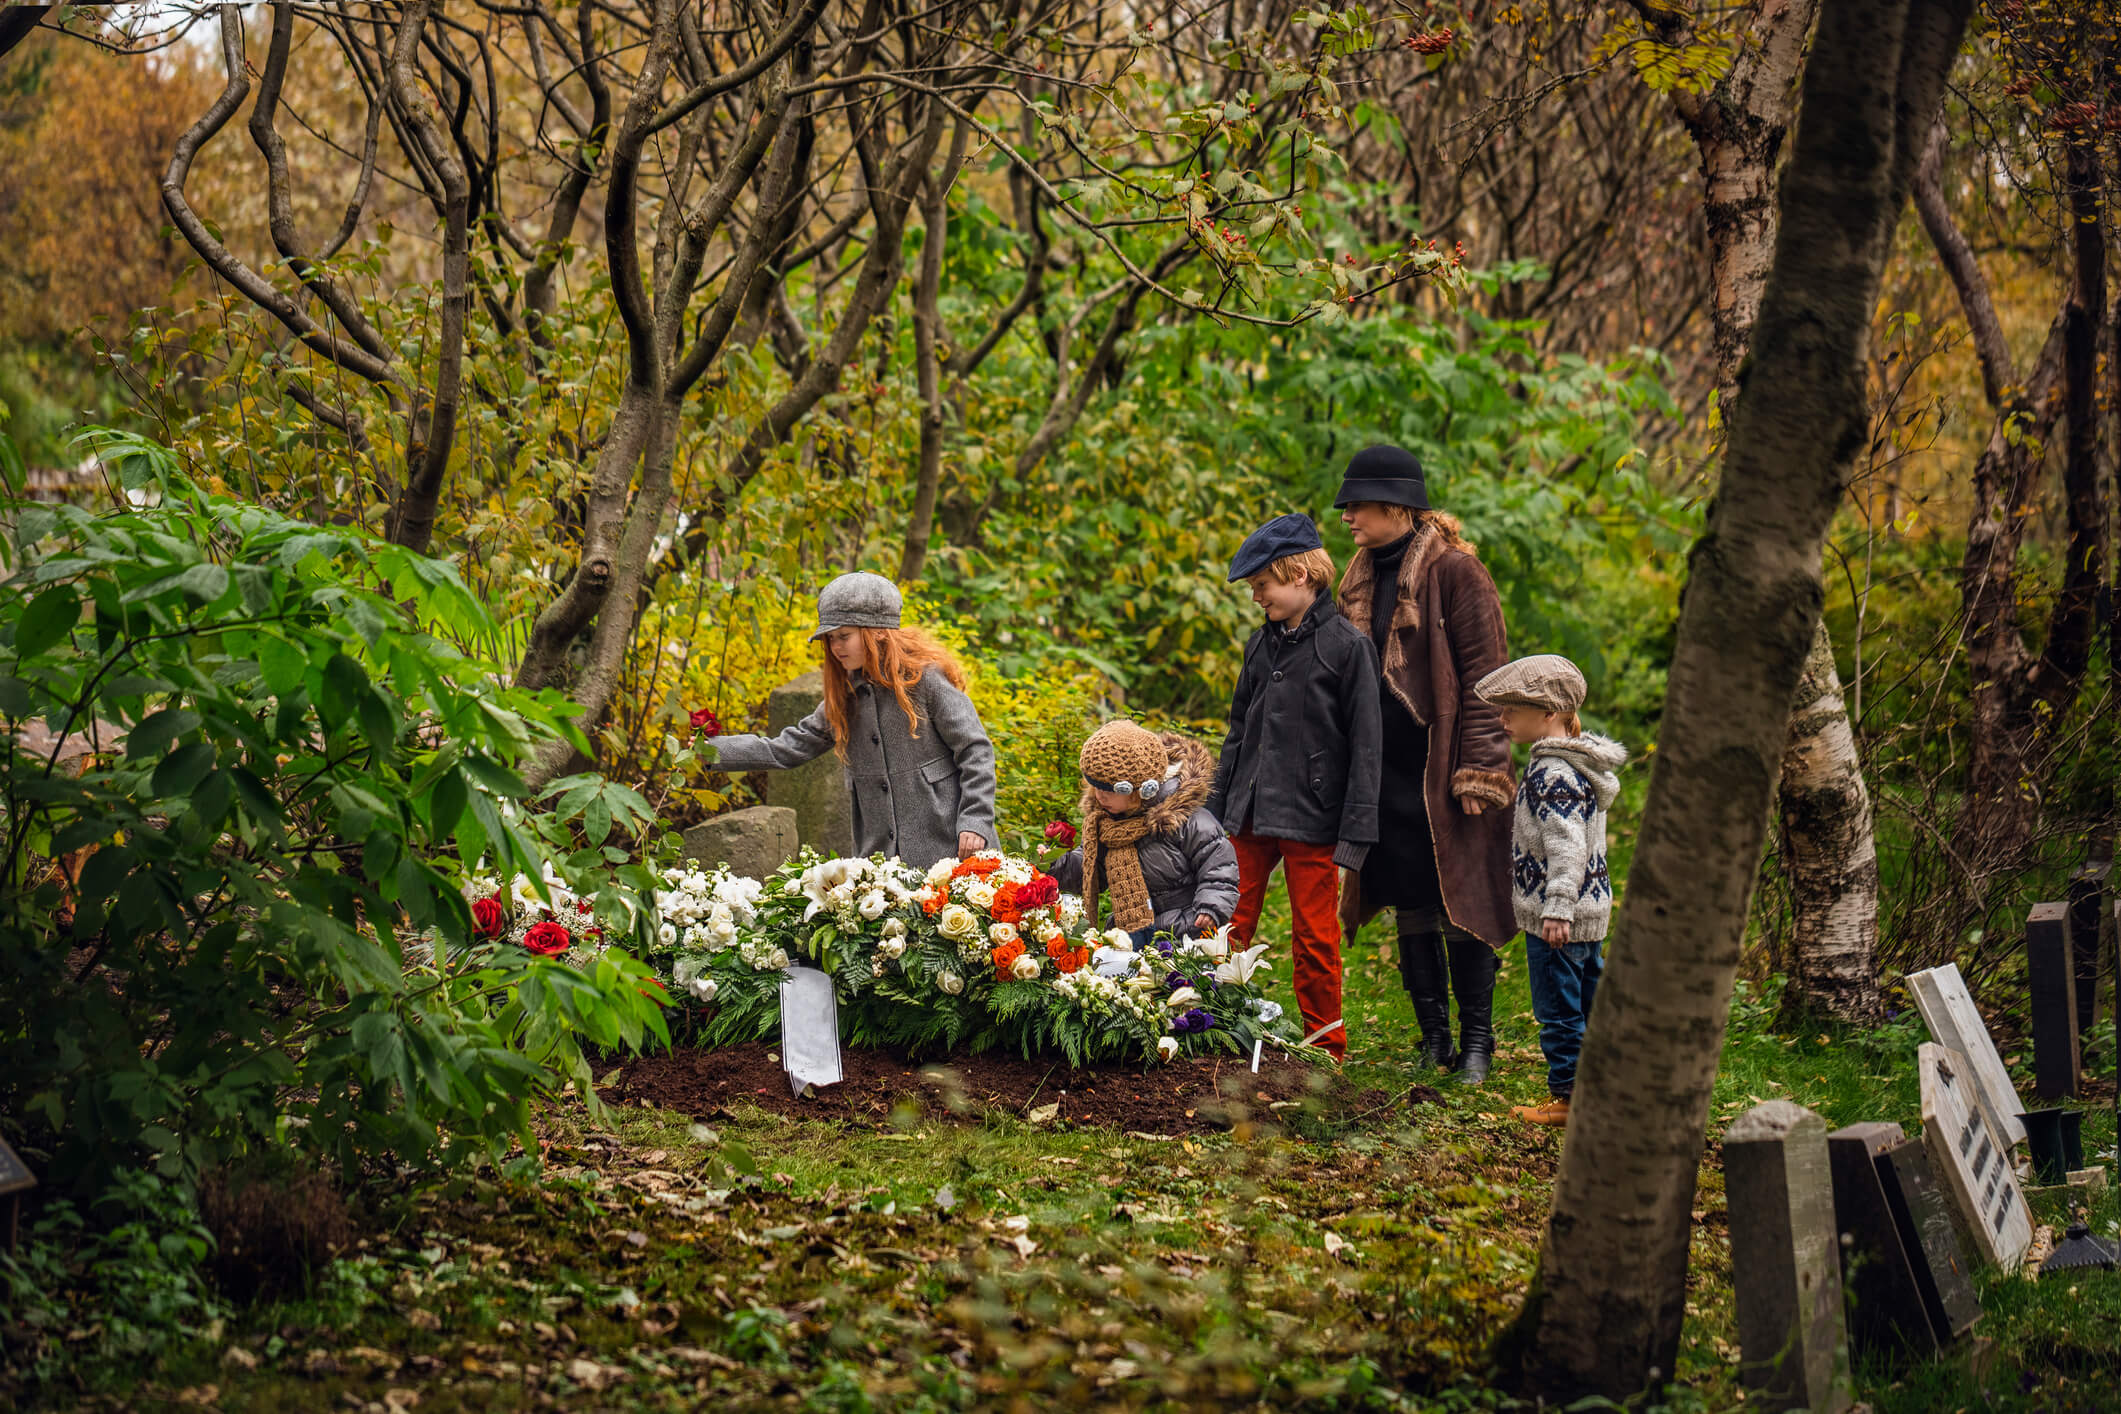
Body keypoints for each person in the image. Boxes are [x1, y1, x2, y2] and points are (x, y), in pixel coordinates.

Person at [1333, 444, 1516, 1084]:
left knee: (1457, 899)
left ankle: (1477, 1045)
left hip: (1442, 772)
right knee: (1411, 898)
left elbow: (1489, 680)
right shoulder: (1356, 576)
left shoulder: (1458, 573)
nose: (1348, 516)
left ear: (1396, 505)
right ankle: (1433, 1039)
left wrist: (1482, 770)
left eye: (1357, 504)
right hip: (1383, 772)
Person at [1207, 513, 1382, 1062]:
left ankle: (1325, 1044)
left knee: (1314, 936)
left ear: (1302, 574)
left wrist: (1354, 835)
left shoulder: (1347, 647)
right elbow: (1239, 732)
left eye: (1263, 585)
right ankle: (1208, 1024)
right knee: (1225, 921)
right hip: (1248, 815)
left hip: (1314, 820)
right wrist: (1213, 808)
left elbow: (1367, 748)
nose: (1257, 596)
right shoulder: (1260, 647)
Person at [710, 572, 996, 870]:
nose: (835, 647)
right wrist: (709, 751)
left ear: (878, 632)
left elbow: (976, 750)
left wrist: (976, 820)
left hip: (953, 851)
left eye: (843, 636)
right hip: (883, 865)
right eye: (830, 639)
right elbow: (786, 748)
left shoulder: (925, 681)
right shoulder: (845, 698)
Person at [1473, 655, 1627, 1128]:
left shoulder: (1551, 774)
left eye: (1511, 710)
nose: (1502, 720)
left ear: (1549, 714)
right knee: (1587, 1002)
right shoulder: (1576, 764)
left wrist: (1557, 907)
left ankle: (1569, 1098)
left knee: (1559, 1009)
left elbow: (1567, 846)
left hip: (1560, 916)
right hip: (1589, 912)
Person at [1052, 720, 1238, 941]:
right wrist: (1055, 865)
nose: (1100, 796)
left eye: (1108, 790)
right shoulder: (1108, 826)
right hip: (1131, 932)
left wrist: (1210, 907)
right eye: (1095, 787)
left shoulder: (1187, 820)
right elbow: (1091, 869)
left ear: (1140, 790)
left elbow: (1219, 868)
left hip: (1186, 931)